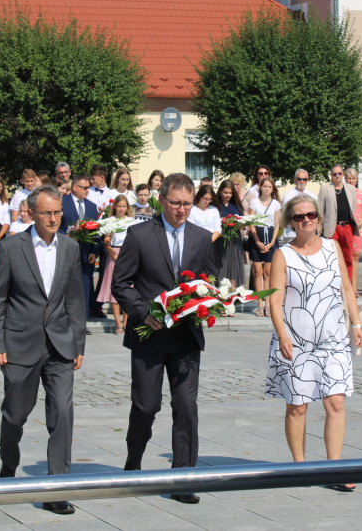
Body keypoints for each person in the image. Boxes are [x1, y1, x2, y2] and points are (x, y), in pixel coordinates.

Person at [111, 173, 217, 504]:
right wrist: (144, 313)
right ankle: (133, 462)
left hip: (186, 337)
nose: (181, 210)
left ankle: (183, 476)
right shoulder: (140, 234)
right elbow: (120, 283)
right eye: (175, 203)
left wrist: (210, 302)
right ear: (162, 200)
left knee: (186, 406)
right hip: (149, 336)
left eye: (187, 204)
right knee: (146, 406)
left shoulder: (201, 238)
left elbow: (210, 280)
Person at [0, 186, 86, 516]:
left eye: (58, 212)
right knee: (15, 414)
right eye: (47, 213)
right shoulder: (11, 248)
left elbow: (74, 298)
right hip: (19, 343)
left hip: (59, 345)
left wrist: (78, 343)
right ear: (30, 213)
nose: (54, 218)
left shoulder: (71, 248)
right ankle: (8, 463)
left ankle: (56, 488)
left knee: (62, 412)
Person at [266, 195, 362, 490]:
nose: (306, 219)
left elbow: (346, 288)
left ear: (319, 217)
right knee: (298, 405)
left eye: (310, 214)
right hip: (296, 341)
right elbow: (275, 300)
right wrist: (282, 334)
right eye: (298, 216)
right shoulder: (284, 255)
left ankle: (335, 469)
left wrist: (356, 322)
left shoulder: (333, 247)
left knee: (335, 401)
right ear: (290, 222)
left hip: (333, 338)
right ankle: (301, 467)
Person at [61, 175, 101, 319]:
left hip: (85, 253)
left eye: (88, 188)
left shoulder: (91, 206)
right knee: (66, 285)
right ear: (75, 187)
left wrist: (94, 251)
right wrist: (66, 236)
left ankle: (82, 319)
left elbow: (96, 231)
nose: (87, 191)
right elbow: (57, 226)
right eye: (84, 188)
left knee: (84, 285)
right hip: (65, 251)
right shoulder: (62, 202)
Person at [98, 195, 133, 334]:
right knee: (114, 289)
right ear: (114, 207)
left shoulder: (132, 221)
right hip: (114, 254)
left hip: (128, 254)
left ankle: (126, 322)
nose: (121, 209)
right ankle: (118, 324)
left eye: (124, 206)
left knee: (128, 289)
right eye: (119, 206)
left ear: (127, 208)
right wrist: (113, 253)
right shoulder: (110, 221)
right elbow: (107, 239)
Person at [318, 165, 358, 283]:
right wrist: (319, 229)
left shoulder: (350, 189)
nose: (337, 176)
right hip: (332, 227)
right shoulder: (325, 189)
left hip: (346, 226)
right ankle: (333, 284)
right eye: (334, 174)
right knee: (332, 258)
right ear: (331, 176)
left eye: (339, 173)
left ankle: (348, 285)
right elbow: (320, 210)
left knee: (348, 258)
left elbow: (353, 207)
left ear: (343, 175)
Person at [248, 177, 281, 316]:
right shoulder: (254, 202)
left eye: (269, 187)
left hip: (270, 237)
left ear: (272, 189)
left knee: (268, 272)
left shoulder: (276, 204)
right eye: (264, 186)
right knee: (257, 272)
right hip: (257, 237)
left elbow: (277, 224)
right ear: (260, 187)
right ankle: (259, 303)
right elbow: (251, 222)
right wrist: (256, 241)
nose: (267, 189)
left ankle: (268, 303)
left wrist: (272, 242)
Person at [214, 180, 246, 287]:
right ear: (220, 192)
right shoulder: (215, 205)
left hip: (234, 241)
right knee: (221, 267)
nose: (228, 195)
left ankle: (233, 293)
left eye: (230, 193)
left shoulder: (236, 205)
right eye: (225, 192)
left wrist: (239, 225)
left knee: (234, 266)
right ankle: (221, 293)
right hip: (220, 240)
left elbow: (243, 224)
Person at [344, 168, 362, 294]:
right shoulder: (341, 193)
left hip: (358, 229)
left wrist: (360, 222)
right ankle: (345, 286)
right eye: (348, 178)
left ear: (357, 179)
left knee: (355, 256)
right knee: (344, 256)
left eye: (353, 178)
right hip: (344, 228)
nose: (351, 180)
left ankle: (354, 286)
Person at [280, 169, 315, 245]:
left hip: (308, 234)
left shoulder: (312, 195)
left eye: (304, 179)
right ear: (295, 180)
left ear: (307, 180)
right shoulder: (288, 195)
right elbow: (286, 214)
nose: (302, 181)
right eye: (299, 179)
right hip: (292, 233)